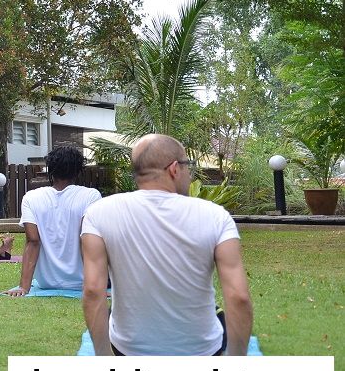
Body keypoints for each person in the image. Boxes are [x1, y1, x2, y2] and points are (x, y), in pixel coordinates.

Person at [80, 134, 253, 356]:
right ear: (174, 169)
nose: (189, 174)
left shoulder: (98, 213)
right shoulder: (216, 216)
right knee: (217, 313)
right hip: (202, 352)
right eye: (187, 166)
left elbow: (93, 290)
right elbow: (238, 296)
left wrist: (104, 358)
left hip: (127, 350)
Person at [6, 146, 101, 296]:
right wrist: (95, 287)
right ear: (77, 171)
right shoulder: (91, 196)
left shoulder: (31, 197)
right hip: (81, 282)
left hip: (46, 282)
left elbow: (33, 241)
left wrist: (23, 287)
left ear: (50, 170)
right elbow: (87, 240)